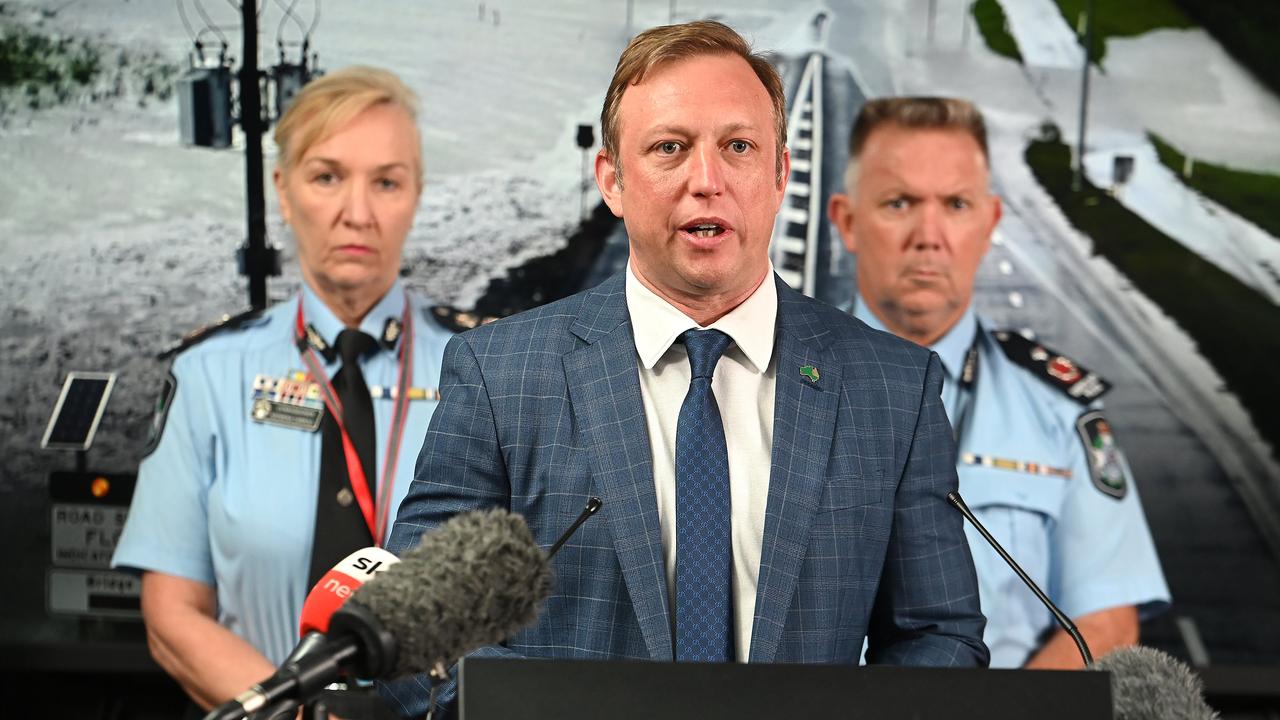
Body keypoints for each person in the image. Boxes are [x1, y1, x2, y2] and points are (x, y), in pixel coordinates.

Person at [383, 22, 987, 718]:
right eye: (671, 148)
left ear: (780, 173)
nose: (707, 181)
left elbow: (937, 637)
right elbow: (416, 629)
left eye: (738, 147)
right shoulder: (501, 375)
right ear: (612, 179)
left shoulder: (895, 389)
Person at [111, 66, 454, 709]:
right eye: (327, 177)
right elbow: (172, 613)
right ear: (284, 191)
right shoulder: (210, 373)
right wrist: (301, 713)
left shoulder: (485, 371)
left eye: (386, 181)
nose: (358, 212)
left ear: (416, 193)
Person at [826, 96, 1170, 669]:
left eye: (956, 204)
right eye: (899, 202)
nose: (929, 235)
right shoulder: (770, 379)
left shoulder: (1058, 411)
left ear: (989, 224)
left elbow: (1106, 622)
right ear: (848, 222)